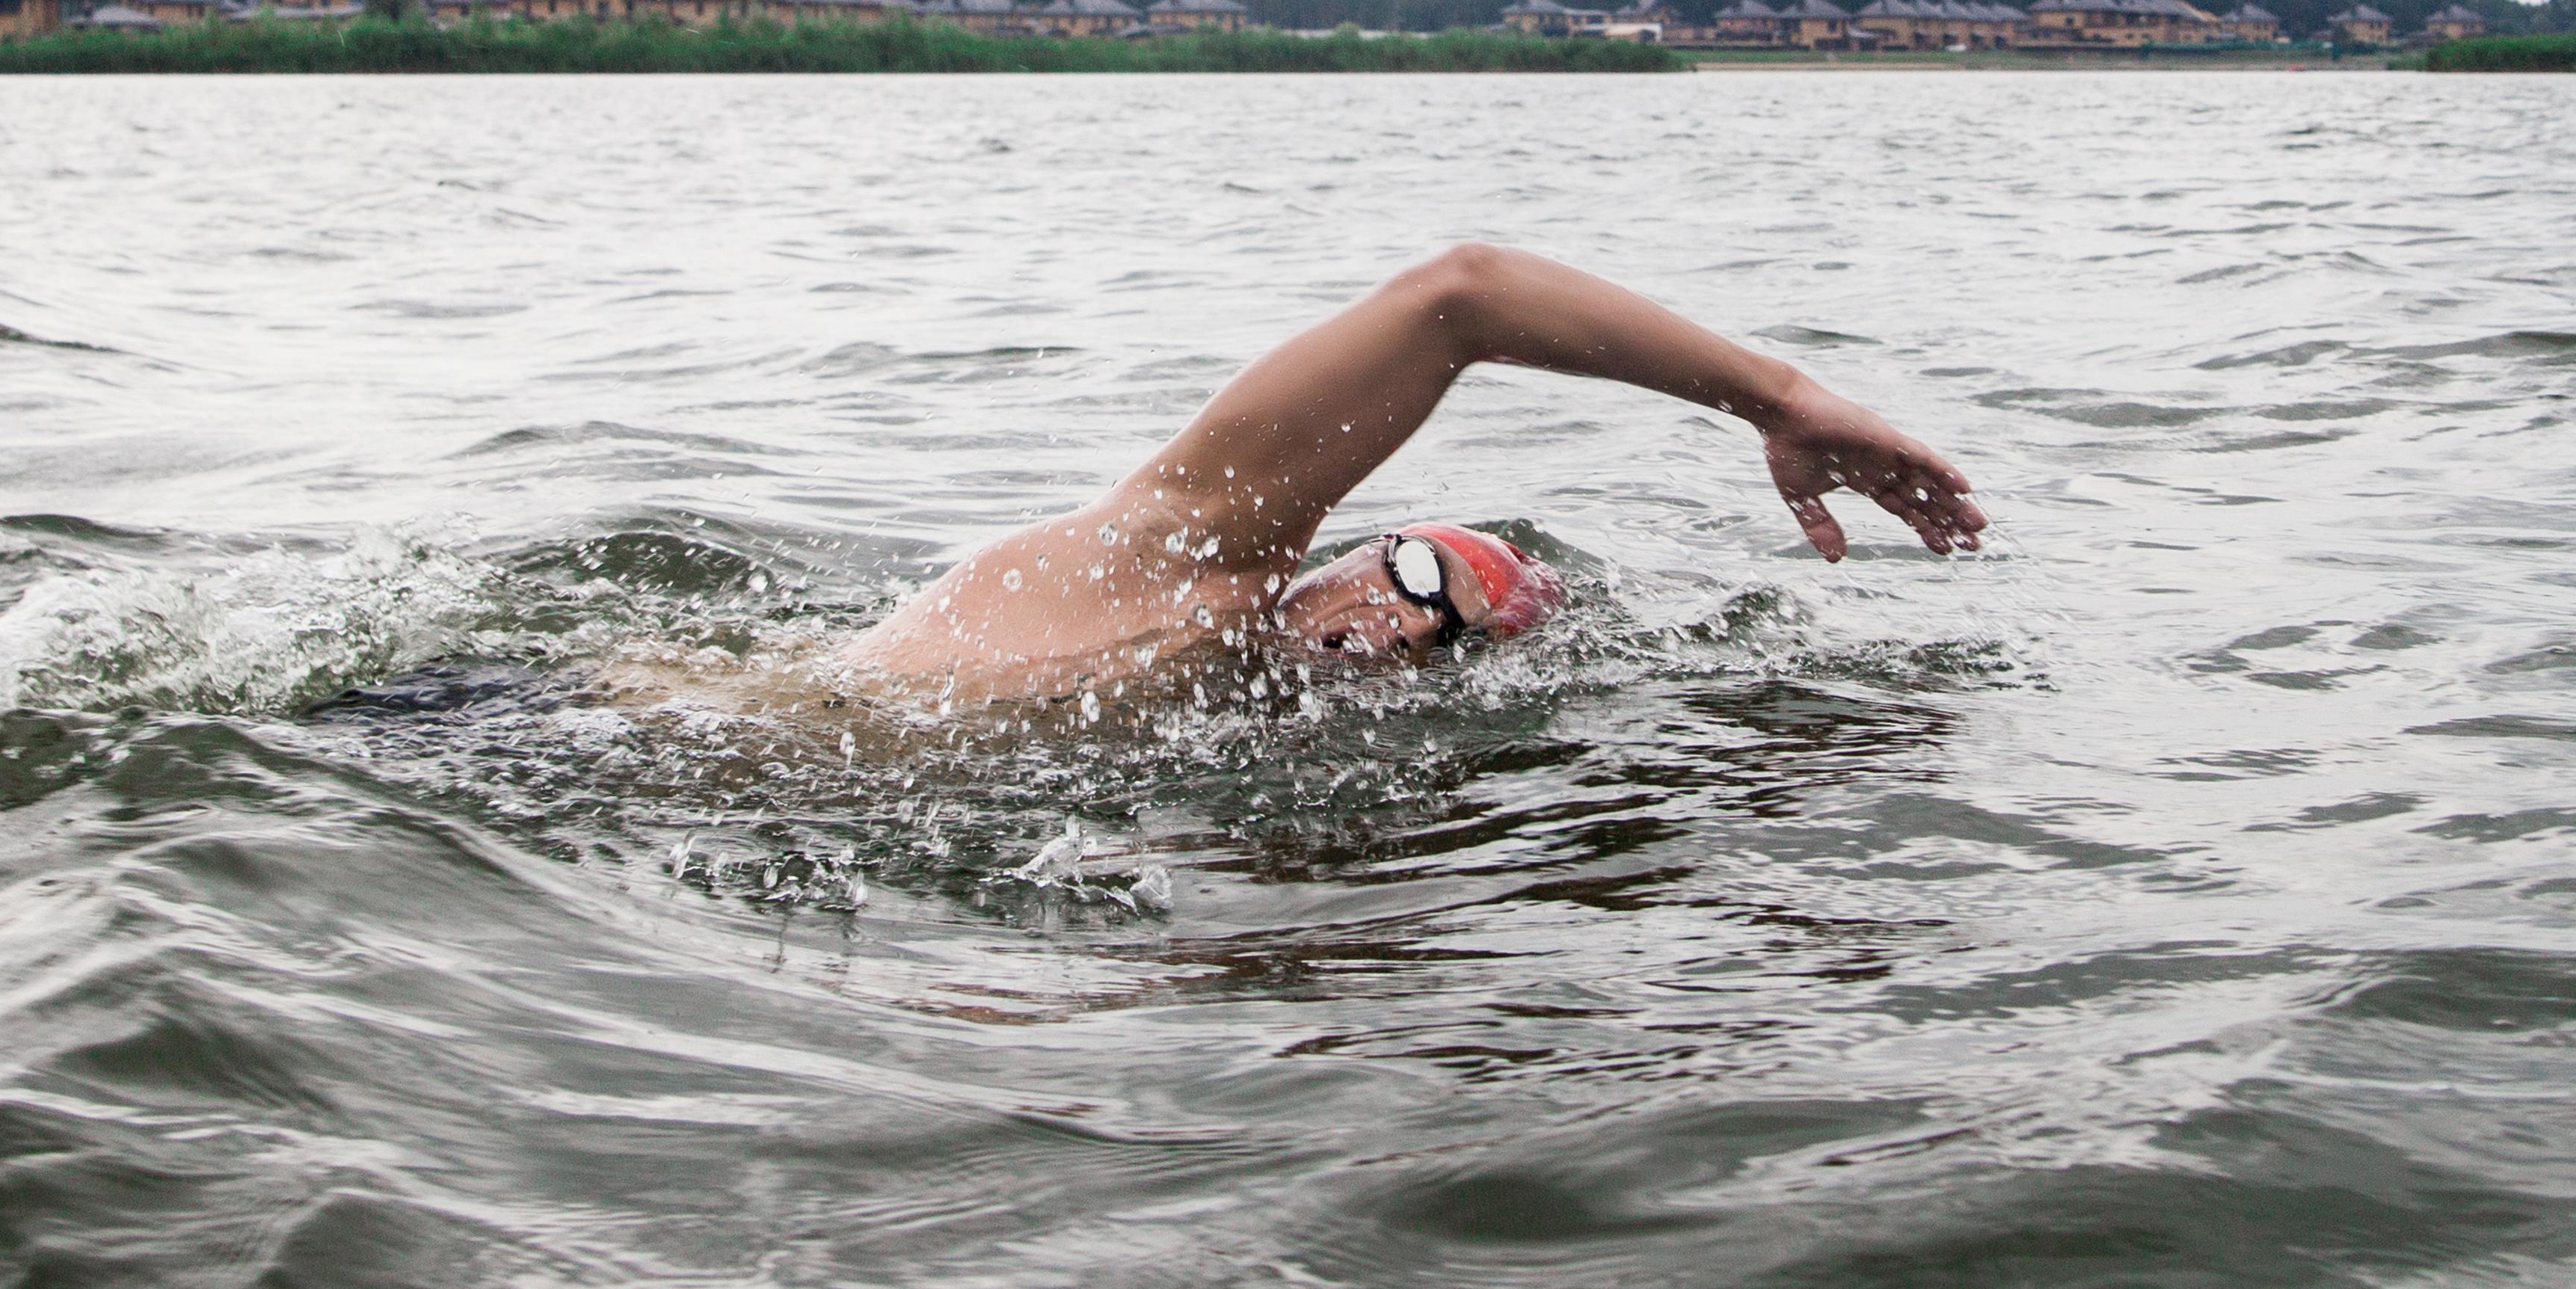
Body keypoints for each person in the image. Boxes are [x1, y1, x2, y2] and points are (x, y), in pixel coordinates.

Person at [612, 244, 1985, 721]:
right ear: (1357, 550)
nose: (1398, 626)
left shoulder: (1243, 714)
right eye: (1419, 572)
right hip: (567, 729)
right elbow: (1464, 298)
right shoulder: (1181, 555)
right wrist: (1785, 399)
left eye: (1446, 633)